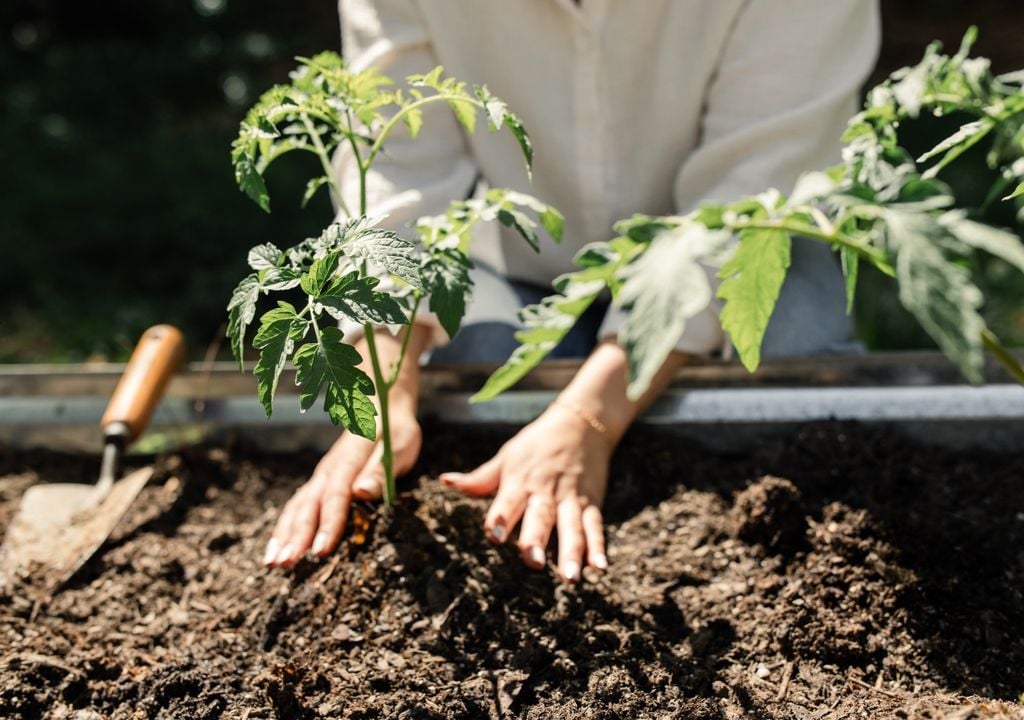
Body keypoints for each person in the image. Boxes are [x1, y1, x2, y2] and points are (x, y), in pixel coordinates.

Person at [262, 0, 882, 583]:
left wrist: (589, 420)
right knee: (479, 371)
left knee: (790, 362)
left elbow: (746, 200)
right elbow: (399, 175)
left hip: (746, 250)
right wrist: (385, 389)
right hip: (534, 266)